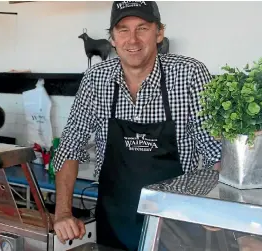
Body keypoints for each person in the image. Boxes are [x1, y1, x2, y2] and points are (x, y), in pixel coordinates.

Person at [52, 2, 222, 250]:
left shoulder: (189, 74)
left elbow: (216, 153)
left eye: (142, 28)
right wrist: (62, 212)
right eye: (123, 30)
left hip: (177, 226)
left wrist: (214, 204)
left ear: (159, 33)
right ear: (112, 38)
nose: (132, 39)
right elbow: (70, 147)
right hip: (114, 224)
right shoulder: (96, 79)